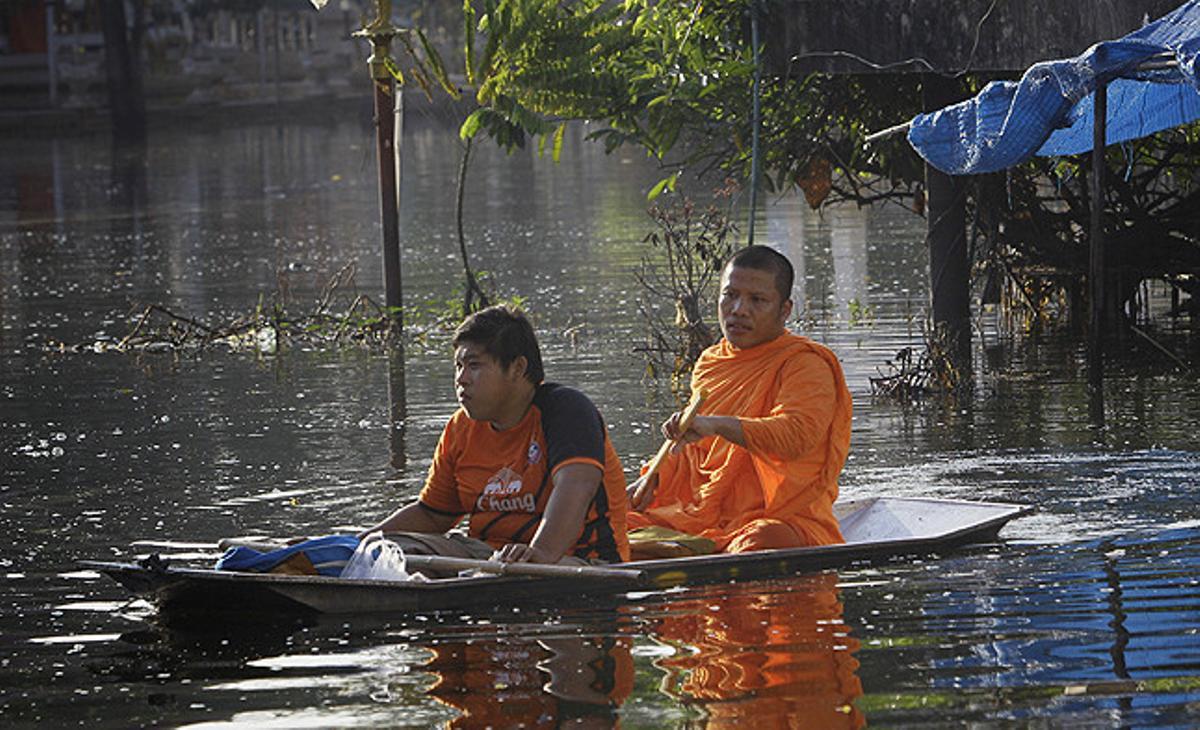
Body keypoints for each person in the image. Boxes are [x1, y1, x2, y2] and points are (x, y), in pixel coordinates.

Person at [361, 305, 630, 564]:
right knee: (390, 551)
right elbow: (433, 515)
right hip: (488, 557)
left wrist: (540, 554)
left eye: (474, 365)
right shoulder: (461, 427)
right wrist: (360, 543)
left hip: (577, 561)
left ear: (517, 368)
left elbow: (577, 486)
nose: (461, 379)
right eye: (458, 366)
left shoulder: (567, 410)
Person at [626, 245, 852, 553]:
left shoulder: (804, 363)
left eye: (757, 300)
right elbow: (698, 452)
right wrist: (653, 477)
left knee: (759, 541)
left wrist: (717, 425)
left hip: (780, 514)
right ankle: (685, 546)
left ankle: (685, 549)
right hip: (704, 510)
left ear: (785, 310)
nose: (739, 310)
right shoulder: (711, 361)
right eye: (730, 295)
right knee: (606, 519)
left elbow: (797, 437)